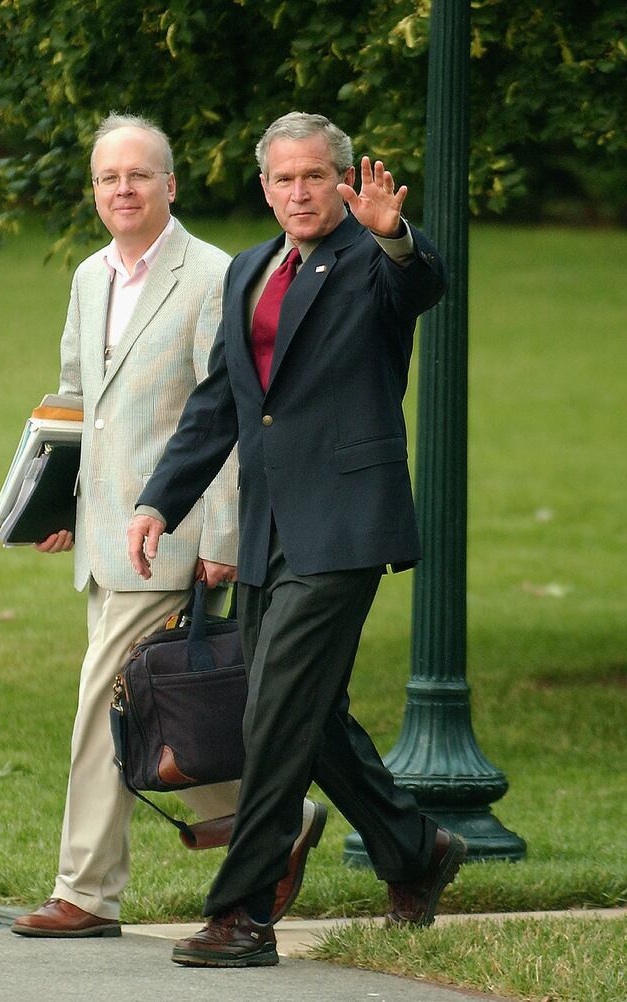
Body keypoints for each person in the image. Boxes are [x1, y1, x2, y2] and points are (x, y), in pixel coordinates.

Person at [128, 112, 466, 968]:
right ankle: (414, 849)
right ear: (265, 186)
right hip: (272, 526)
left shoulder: (371, 261)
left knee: (273, 708)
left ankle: (242, 914)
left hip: (347, 524)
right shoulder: (249, 269)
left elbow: (420, 284)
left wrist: (397, 237)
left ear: (343, 180)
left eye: (314, 176)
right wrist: (159, 502)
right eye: (282, 178)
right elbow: (221, 406)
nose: (298, 192)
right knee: (309, 717)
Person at [12, 113, 324, 939]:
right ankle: (263, 821)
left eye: (139, 175)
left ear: (171, 184)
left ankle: (84, 892)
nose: (123, 189)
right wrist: (56, 505)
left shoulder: (213, 275)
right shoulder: (88, 276)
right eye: (109, 177)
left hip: (169, 537)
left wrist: (221, 534)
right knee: (150, 711)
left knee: (100, 708)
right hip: (103, 532)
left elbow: (227, 413)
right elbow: (74, 397)